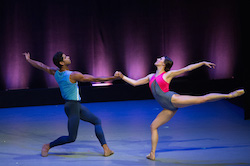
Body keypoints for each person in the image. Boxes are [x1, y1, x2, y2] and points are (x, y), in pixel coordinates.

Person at [115, 56, 245, 160]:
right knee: (153, 126)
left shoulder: (168, 74)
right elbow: (135, 83)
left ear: (164, 64)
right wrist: (122, 77)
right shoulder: (150, 76)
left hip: (173, 99)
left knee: (202, 99)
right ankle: (152, 154)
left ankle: (229, 95)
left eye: (161, 59)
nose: (158, 59)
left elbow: (187, 68)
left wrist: (202, 63)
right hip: (167, 108)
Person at [23, 52, 118, 157]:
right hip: (72, 107)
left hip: (75, 105)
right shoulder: (73, 75)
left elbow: (41, 66)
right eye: (65, 57)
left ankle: (106, 149)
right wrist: (114, 78)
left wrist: (28, 59)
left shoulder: (55, 72)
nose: (68, 57)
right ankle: (48, 146)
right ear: (61, 62)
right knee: (71, 138)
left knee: (97, 121)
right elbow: (95, 79)